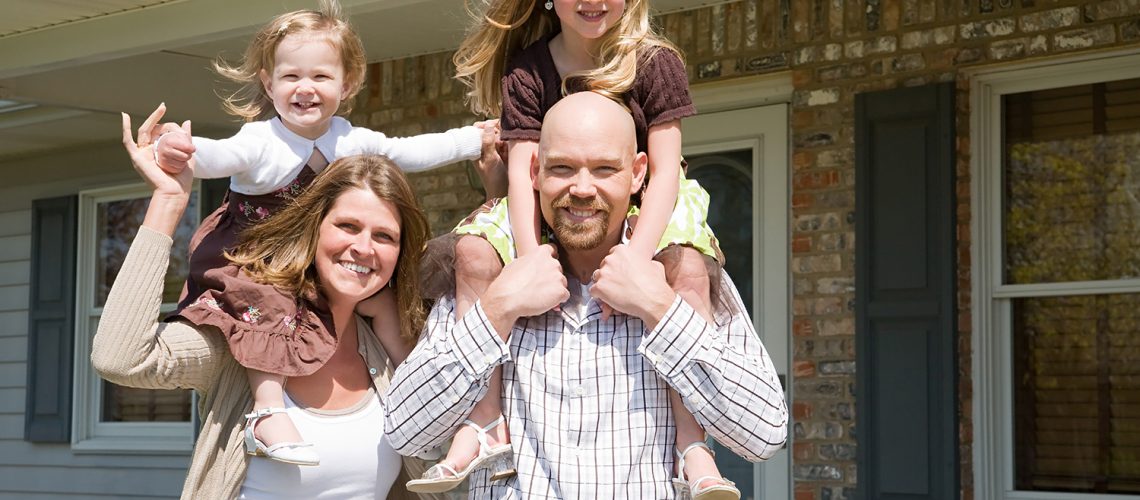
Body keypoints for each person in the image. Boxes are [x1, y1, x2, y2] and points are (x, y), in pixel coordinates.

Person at [385, 92, 788, 499]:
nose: (581, 188)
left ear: (637, 173)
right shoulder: (491, 276)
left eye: (604, 169)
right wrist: (497, 310)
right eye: (562, 168)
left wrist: (661, 309)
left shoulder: (682, 272)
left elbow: (764, 434)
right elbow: (404, 430)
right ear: (536, 172)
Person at [150, 0, 499, 466]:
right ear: (268, 82)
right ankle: (268, 411)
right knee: (268, 307)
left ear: (347, 84)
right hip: (256, 258)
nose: (305, 88)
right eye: (291, 76)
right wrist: (180, 149)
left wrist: (475, 139)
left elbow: (410, 151)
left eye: (320, 77)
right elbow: (218, 156)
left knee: (383, 302)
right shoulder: (260, 141)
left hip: (312, 260)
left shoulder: (350, 140)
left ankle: (414, 383)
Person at [409, 0, 730, 495]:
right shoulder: (528, 69)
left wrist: (636, 260)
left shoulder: (653, 62)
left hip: (646, 203)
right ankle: (485, 420)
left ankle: (692, 442)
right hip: (544, 203)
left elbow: (665, 171)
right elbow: (522, 173)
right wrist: (530, 256)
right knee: (472, 254)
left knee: (687, 272)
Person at [91, 106, 444, 499]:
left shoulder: (389, 348)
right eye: (347, 226)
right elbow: (120, 358)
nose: (363, 248)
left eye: (384, 236)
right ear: (313, 232)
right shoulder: (247, 334)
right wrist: (169, 202)